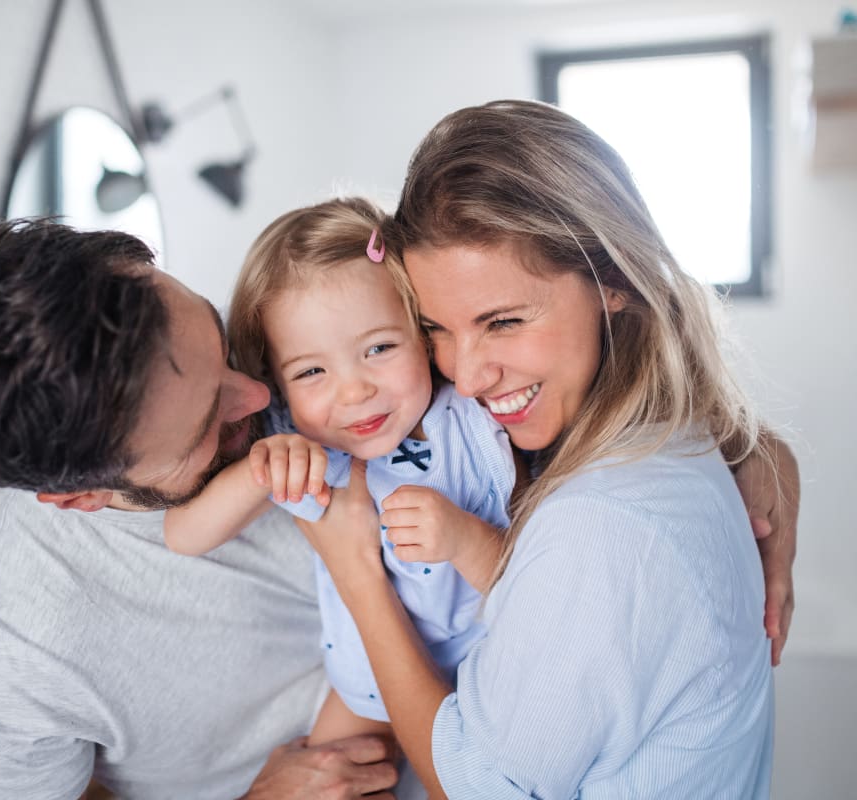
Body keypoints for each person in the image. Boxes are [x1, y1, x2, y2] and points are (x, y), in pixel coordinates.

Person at [296, 99, 799, 798]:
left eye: (502, 321)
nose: (466, 376)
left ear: (614, 281)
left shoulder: (599, 530)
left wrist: (356, 577)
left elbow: (476, 786)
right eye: (436, 328)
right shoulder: (660, 436)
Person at [0, 219, 400, 800]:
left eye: (219, 341)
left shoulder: (285, 325)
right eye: (209, 422)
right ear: (81, 497)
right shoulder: (27, 645)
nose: (260, 394)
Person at [162, 198, 516, 745]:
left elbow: (531, 590)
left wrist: (465, 538)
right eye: (311, 371)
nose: (354, 391)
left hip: (490, 679)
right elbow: (183, 535)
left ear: (422, 332)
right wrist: (262, 470)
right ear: (278, 383)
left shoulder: (474, 425)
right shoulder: (307, 451)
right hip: (365, 690)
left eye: (379, 347)